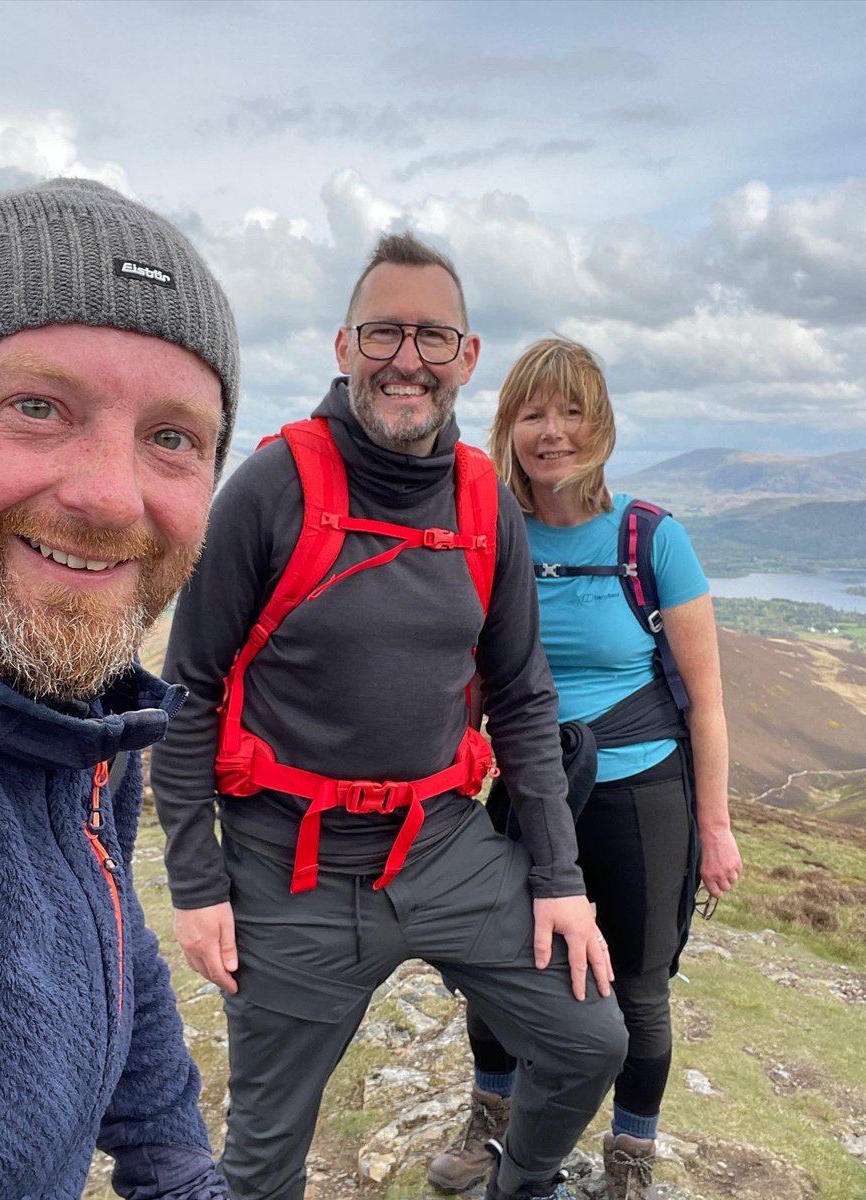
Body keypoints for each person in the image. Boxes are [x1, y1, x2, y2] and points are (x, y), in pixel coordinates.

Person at [151, 232, 628, 1200]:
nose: (407, 359)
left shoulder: (484, 501)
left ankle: (519, 1185)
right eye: (383, 334)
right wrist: (196, 885)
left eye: (432, 337)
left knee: (590, 1039)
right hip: (291, 867)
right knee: (262, 1162)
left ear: (467, 356)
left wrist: (559, 881)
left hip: (444, 848)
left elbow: (523, 697)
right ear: (344, 346)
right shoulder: (271, 489)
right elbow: (189, 690)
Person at [0, 178, 241, 1200]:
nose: (110, 497)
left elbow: (108, 922)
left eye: (172, 437)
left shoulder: (85, 715)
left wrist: (172, 1159)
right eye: (37, 407)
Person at [427, 338, 742, 1200]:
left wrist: (715, 828)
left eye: (572, 412)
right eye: (533, 413)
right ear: (509, 426)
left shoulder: (652, 539)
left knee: (637, 989)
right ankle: (492, 1119)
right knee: (503, 967)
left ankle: (629, 1160)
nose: (553, 431)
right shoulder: (493, 534)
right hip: (526, 789)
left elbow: (707, 703)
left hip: (641, 793)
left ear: (600, 427)